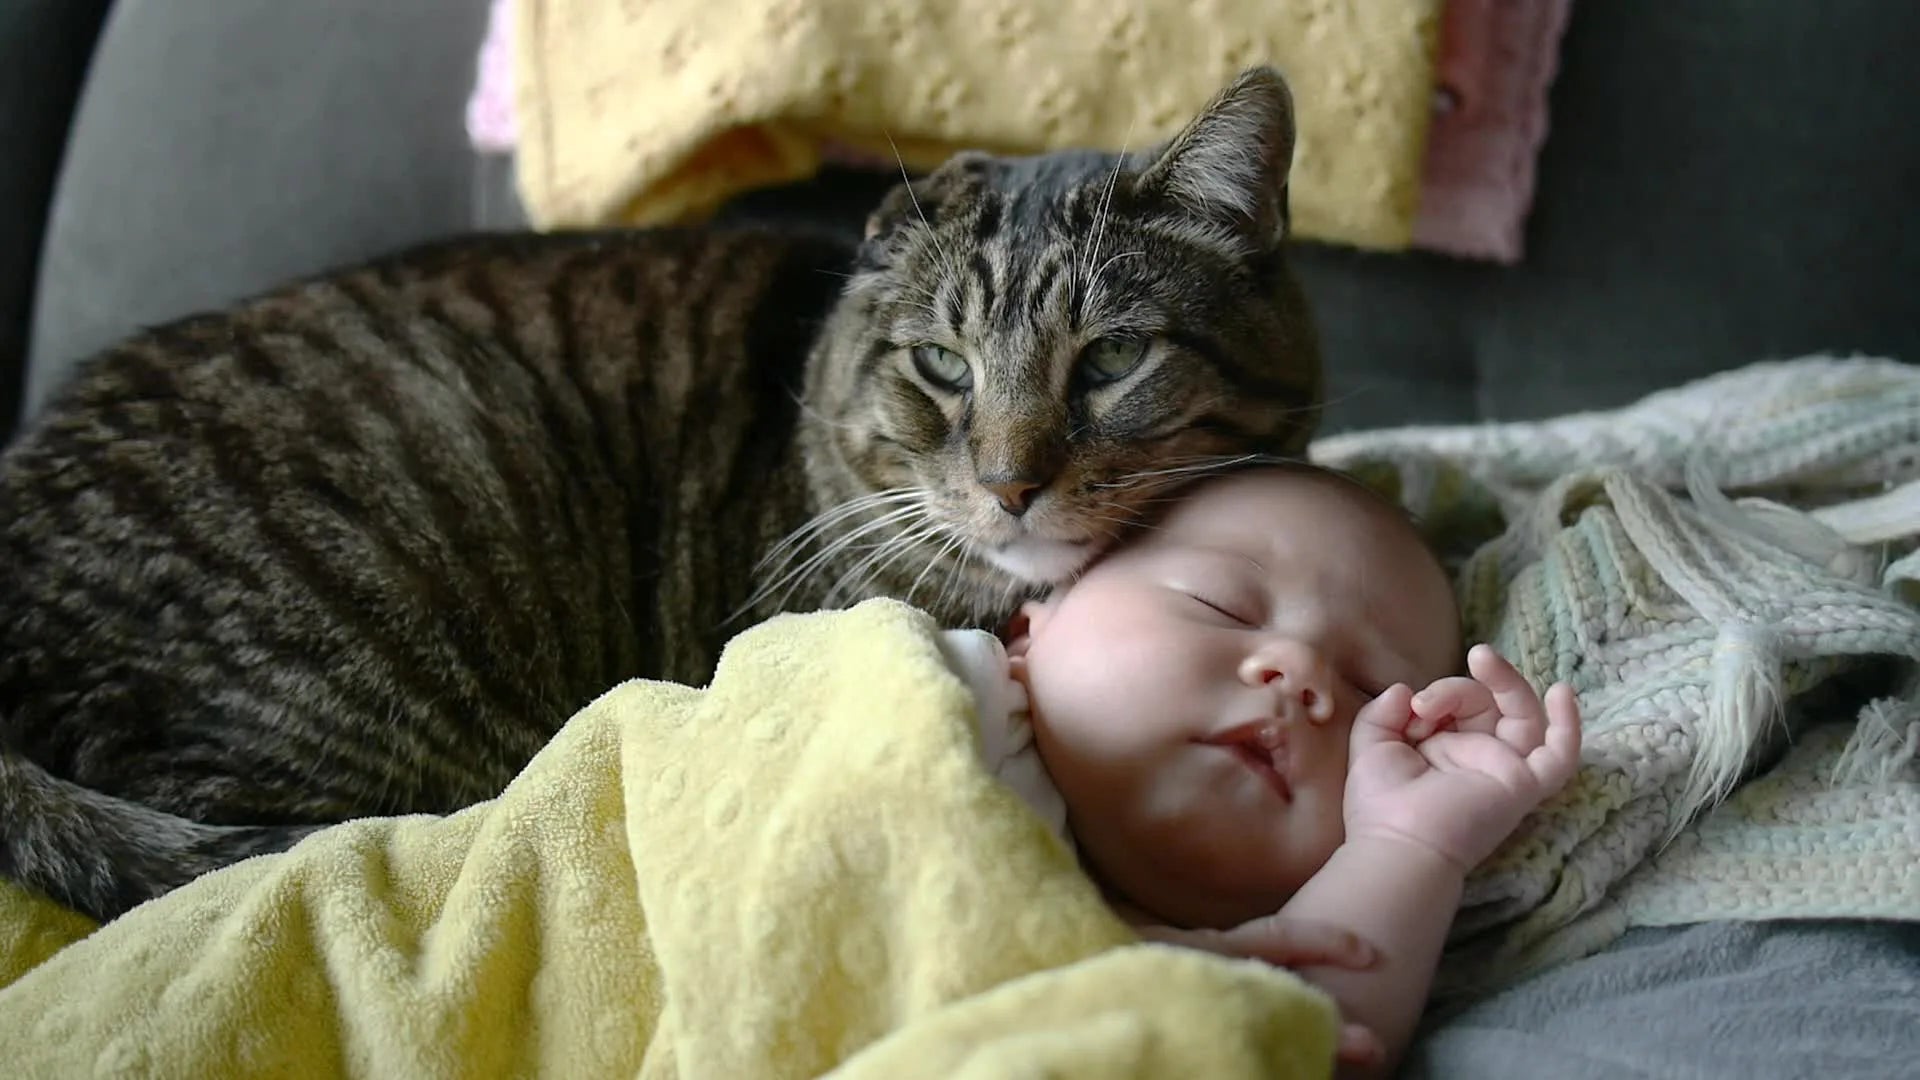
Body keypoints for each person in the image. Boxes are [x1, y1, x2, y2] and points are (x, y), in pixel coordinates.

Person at [938, 463, 1583, 1075]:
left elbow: (1303, 1043)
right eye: (1223, 605)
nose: (1302, 672)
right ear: (1029, 631)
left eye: (1369, 689)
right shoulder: (946, 699)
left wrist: (1409, 844)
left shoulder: (1231, 974)